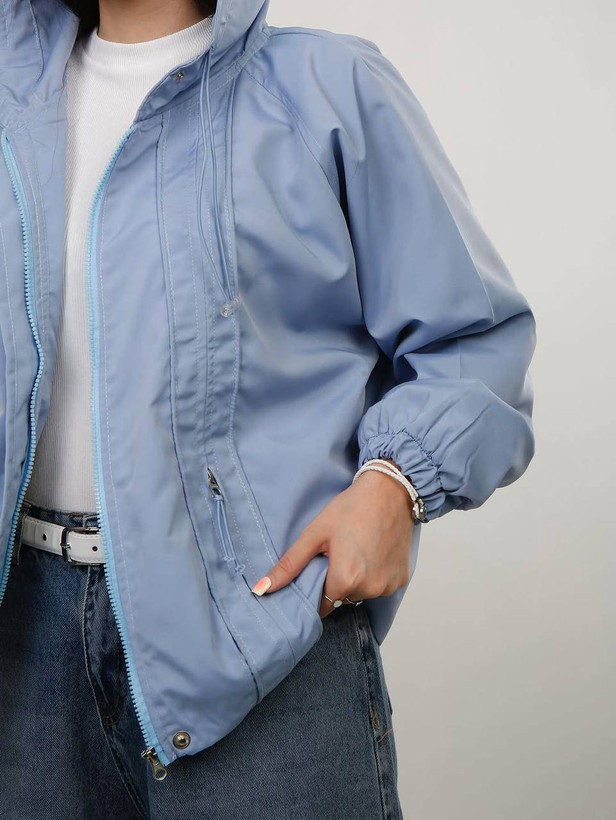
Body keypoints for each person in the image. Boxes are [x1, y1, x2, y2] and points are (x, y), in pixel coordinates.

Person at [0, 0, 536, 817]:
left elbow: (473, 338)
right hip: (21, 644)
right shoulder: (12, 105)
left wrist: (394, 486)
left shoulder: (324, 86)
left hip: (261, 629)